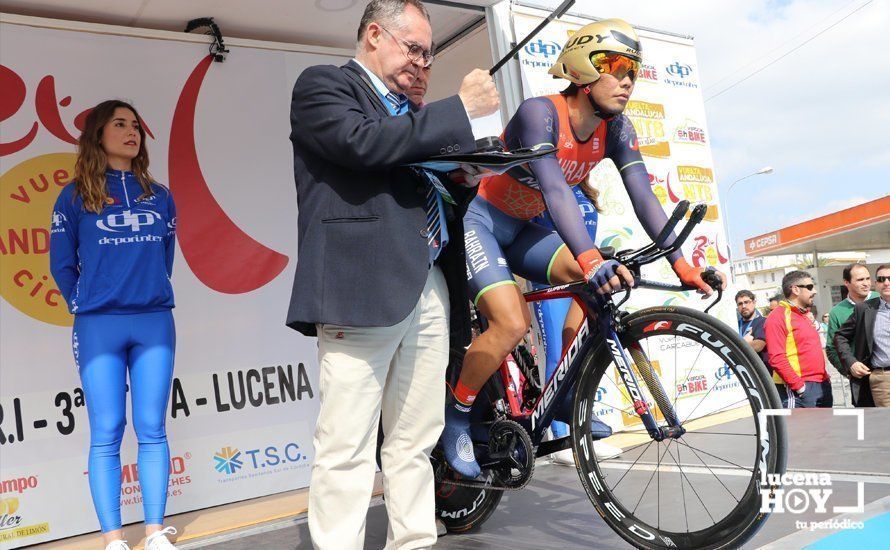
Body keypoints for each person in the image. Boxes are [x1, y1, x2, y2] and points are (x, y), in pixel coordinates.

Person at [441, 18, 726, 478]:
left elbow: (644, 196)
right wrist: (591, 257)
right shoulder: (541, 113)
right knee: (511, 323)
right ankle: (456, 414)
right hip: (484, 223)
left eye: (634, 70)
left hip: (526, 230)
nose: (627, 80)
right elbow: (555, 191)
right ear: (581, 68)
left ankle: (566, 392)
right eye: (616, 66)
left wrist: (682, 263)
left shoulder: (616, 129)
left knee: (599, 289)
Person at [283, 0, 499, 547]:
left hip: (428, 282)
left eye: (430, 55)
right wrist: (458, 111)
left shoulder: (413, 114)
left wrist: (467, 173)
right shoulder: (323, 86)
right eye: (415, 50)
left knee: (414, 443)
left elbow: (423, 181)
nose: (424, 64)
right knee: (347, 446)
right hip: (361, 287)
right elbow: (363, 143)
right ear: (375, 35)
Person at [49, 100, 178, 550]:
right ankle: (113, 539)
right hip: (99, 324)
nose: (130, 131)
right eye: (118, 124)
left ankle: (156, 532)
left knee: (152, 426)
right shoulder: (73, 196)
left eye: (135, 125)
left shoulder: (159, 195)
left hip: (153, 321)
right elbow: (61, 266)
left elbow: (166, 257)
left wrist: (146, 291)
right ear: (97, 134)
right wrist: (85, 303)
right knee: (107, 430)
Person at [530, 178, 622, 465]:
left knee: (581, 356)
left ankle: (580, 436)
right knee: (558, 356)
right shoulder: (544, 183)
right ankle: (557, 441)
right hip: (551, 280)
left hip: (582, 279)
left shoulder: (584, 189)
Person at [765, 271, 832, 408]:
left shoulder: (806, 315)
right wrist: (800, 387)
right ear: (795, 289)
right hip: (799, 389)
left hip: (821, 384)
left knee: (825, 429)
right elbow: (777, 358)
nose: (814, 291)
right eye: (809, 287)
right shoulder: (778, 316)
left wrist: (825, 378)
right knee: (802, 430)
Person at [835, 264, 890, 407]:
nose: (886, 283)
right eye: (881, 279)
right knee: (885, 426)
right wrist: (851, 362)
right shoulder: (864, 309)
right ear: (876, 284)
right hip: (883, 380)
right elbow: (840, 337)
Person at [827, 263, 877, 406]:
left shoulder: (882, 300)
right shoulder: (837, 312)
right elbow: (831, 348)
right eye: (860, 280)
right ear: (847, 283)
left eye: (868, 278)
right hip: (861, 381)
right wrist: (849, 369)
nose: (866, 283)